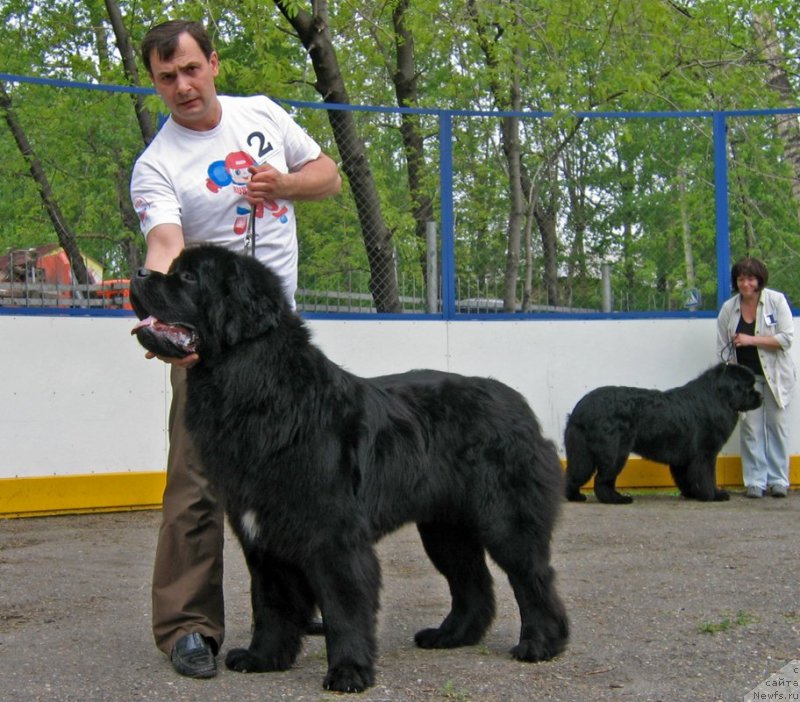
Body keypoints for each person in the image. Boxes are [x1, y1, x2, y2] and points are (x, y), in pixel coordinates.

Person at [130, 19, 341, 679]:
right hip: (211, 353)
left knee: (298, 481)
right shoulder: (157, 165)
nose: (182, 87)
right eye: (167, 78)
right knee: (198, 484)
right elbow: (165, 244)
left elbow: (328, 176)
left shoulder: (264, 115)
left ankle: (294, 605)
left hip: (282, 346)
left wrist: (283, 186)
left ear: (213, 64)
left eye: (191, 70)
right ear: (157, 82)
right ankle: (188, 627)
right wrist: (162, 316)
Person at [717, 256, 795, 499]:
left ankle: (779, 480)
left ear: (759, 280)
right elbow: (723, 348)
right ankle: (755, 481)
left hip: (775, 377)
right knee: (751, 429)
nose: (745, 283)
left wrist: (751, 340)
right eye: (740, 279)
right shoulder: (729, 309)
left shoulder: (776, 301)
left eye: (750, 278)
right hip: (745, 381)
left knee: (777, 426)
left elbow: (786, 339)